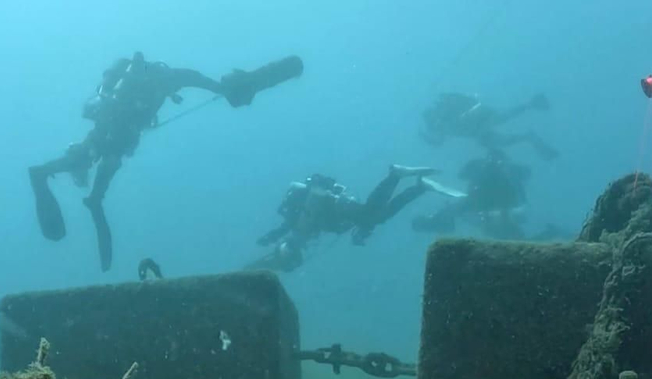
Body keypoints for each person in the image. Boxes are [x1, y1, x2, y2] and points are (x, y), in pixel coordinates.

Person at [28, 52, 304, 271]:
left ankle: (68, 186)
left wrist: (235, 87)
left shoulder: (153, 81)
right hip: (113, 135)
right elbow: (206, 83)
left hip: (111, 134)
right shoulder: (170, 77)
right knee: (99, 177)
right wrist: (233, 88)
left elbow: (209, 84)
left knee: (97, 173)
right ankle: (70, 188)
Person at [248, 166, 459, 272]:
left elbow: (288, 231)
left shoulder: (297, 230)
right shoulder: (298, 228)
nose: (302, 250)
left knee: (371, 214)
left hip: (338, 204)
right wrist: (361, 231)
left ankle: (397, 176)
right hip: (340, 207)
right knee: (376, 217)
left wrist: (271, 242)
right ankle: (417, 187)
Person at [410, 149, 534, 239]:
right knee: (459, 208)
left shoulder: (503, 172)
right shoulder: (492, 170)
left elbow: (465, 179)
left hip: (495, 207)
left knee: (460, 209)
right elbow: (464, 178)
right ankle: (436, 221)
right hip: (488, 206)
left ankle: (436, 221)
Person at [420, 91, 558, 160]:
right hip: (477, 130)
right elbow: (439, 141)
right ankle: (528, 135)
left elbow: (439, 140)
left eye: (431, 120)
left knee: (503, 118)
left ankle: (531, 104)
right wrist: (426, 138)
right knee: (500, 138)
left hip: (480, 119)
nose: (432, 124)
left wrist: (428, 137)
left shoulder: (444, 113)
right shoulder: (440, 125)